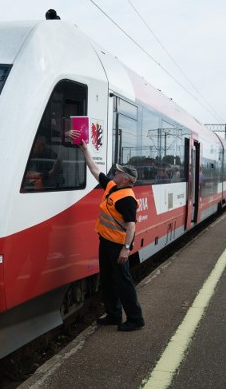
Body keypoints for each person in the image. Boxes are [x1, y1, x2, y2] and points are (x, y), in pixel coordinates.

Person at [77, 138, 145, 332]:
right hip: (105, 242)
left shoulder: (127, 199)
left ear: (126, 179)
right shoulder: (113, 187)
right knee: (107, 279)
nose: (115, 172)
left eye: (119, 172)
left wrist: (125, 249)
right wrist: (85, 150)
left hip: (117, 246)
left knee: (123, 282)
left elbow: (131, 227)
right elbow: (94, 170)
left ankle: (135, 318)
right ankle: (114, 314)